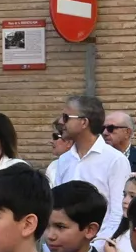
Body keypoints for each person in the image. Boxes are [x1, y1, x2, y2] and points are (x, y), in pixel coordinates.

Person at [54, 96, 131, 238]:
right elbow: (57, 205)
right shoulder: (64, 160)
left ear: (84, 122)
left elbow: (117, 212)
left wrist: (99, 245)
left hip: (99, 246)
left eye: (66, 117)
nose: (61, 122)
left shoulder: (115, 160)